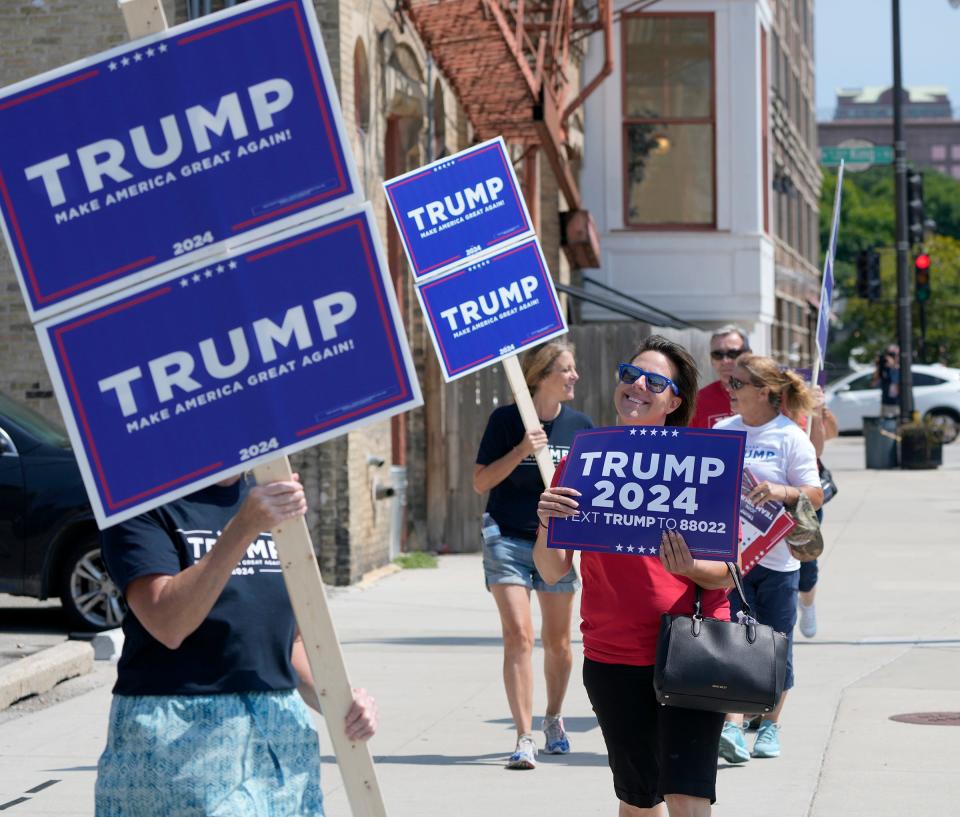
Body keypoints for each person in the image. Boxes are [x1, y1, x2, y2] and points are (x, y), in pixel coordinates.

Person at [95, 473, 378, 817]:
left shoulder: (272, 504)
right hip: (180, 739)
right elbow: (169, 623)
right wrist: (243, 528)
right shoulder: (140, 503)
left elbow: (288, 642)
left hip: (279, 741)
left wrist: (341, 700)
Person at [534, 335, 735, 817]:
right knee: (638, 799)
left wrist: (690, 567)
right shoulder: (583, 459)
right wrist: (544, 522)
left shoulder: (701, 464)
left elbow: (729, 572)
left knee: (688, 797)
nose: (637, 386)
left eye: (654, 381)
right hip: (613, 656)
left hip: (691, 651)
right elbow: (553, 569)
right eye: (630, 374)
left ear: (674, 401)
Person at [473, 341, 593, 769]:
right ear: (541, 376)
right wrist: (523, 449)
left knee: (559, 642)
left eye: (574, 367)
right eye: (566, 369)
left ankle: (554, 718)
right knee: (519, 635)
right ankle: (523, 736)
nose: (574, 376)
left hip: (555, 544)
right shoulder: (506, 422)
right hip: (505, 536)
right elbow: (481, 481)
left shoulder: (581, 426)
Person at [714, 354, 823, 765]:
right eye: (729, 383)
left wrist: (781, 491)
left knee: (775, 645)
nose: (730, 391)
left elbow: (814, 494)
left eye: (738, 384)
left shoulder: (790, 436)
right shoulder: (724, 431)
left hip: (777, 560)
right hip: (730, 561)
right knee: (729, 642)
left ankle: (771, 725)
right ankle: (732, 726)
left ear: (764, 390)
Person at [790, 387, 839, 639]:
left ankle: (807, 603)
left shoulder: (804, 411)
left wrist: (818, 411)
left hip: (803, 498)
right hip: (769, 497)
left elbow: (820, 448)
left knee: (806, 563)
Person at [689, 325, 750, 429]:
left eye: (733, 353)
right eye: (717, 354)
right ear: (712, 360)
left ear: (748, 355)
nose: (725, 361)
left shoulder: (767, 395)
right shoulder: (699, 400)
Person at [870, 344, 901, 418]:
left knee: (892, 427)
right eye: (888, 354)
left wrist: (893, 366)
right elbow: (873, 384)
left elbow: (895, 384)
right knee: (885, 427)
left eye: (892, 355)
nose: (889, 357)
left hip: (895, 404)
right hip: (885, 403)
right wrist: (878, 366)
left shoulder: (899, 370)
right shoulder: (885, 369)